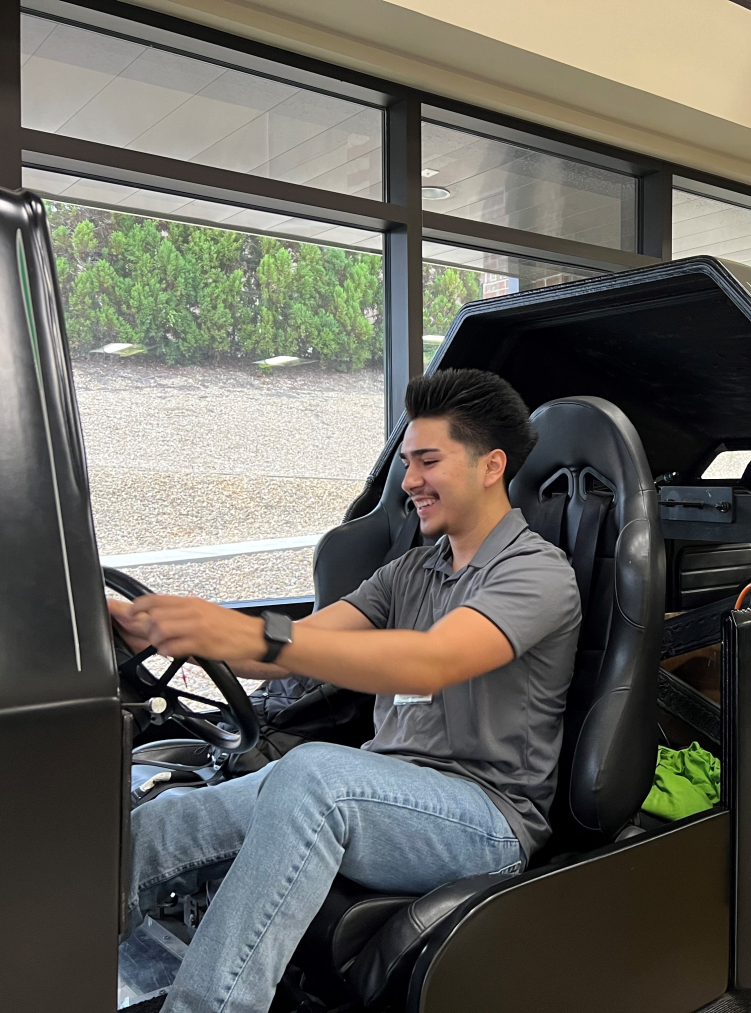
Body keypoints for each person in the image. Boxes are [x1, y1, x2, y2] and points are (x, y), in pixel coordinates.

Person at [111, 369, 582, 1013]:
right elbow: (295, 645)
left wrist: (235, 632)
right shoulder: (411, 570)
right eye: (407, 462)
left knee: (314, 776)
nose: (409, 480)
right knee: (165, 820)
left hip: (487, 820)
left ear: (491, 465)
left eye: (427, 461)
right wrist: (183, 626)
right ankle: (46, 964)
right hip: (380, 790)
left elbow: (428, 662)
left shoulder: (536, 573)